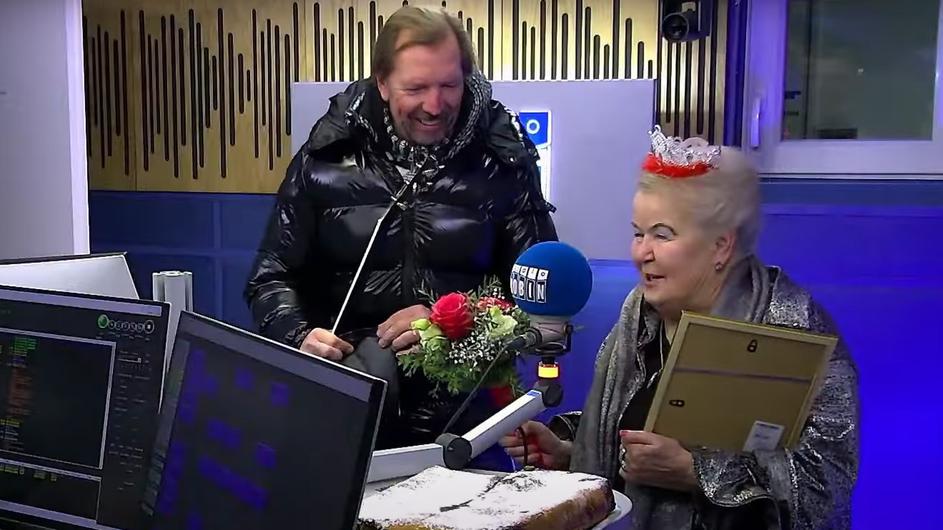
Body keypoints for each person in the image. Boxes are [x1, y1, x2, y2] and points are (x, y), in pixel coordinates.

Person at [499, 128, 859, 529]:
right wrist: (567, 450)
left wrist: (698, 474)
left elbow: (825, 488)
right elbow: (631, 424)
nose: (642, 253)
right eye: (638, 233)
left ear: (721, 246)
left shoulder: (794, 326)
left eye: (662, 235)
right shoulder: (638, 314)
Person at [244, 6, 557, 451]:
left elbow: (541, 297)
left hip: (467, 424)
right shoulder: (324, 157)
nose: (435, 106)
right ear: (382, 82)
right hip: (345, 415)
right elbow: (270, 278)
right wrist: (297, 335)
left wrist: (453, 322)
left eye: (449, 85)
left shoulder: (504, 159)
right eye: (416, 88)